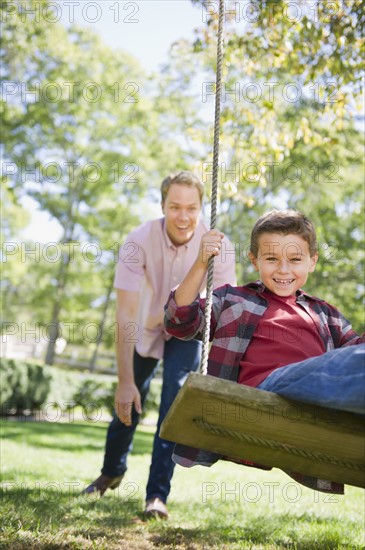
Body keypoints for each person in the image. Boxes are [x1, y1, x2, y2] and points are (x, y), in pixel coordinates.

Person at [164, 209, 364, 482]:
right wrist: (201, 262)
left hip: (320, 397)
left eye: (295, 259)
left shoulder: (325, 314)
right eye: (271, 259)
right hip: (265, 392)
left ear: (312, 261)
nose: (283, 269)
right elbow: (178, 320)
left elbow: (354, 355)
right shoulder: (234, 299)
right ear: (254, 260)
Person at [82, 171, 237, 518]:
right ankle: (112, 471)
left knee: (172, 408)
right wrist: (124, 381)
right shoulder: (138, 240)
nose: (184, 216)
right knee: (128, 400)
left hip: (188, 329)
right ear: (163, 205)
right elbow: (124, 314)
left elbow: (227, 313)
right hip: (147, 324)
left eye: (192, 208)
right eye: (175, 206)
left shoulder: (219, 246)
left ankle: (156, 495)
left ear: (202, 208)